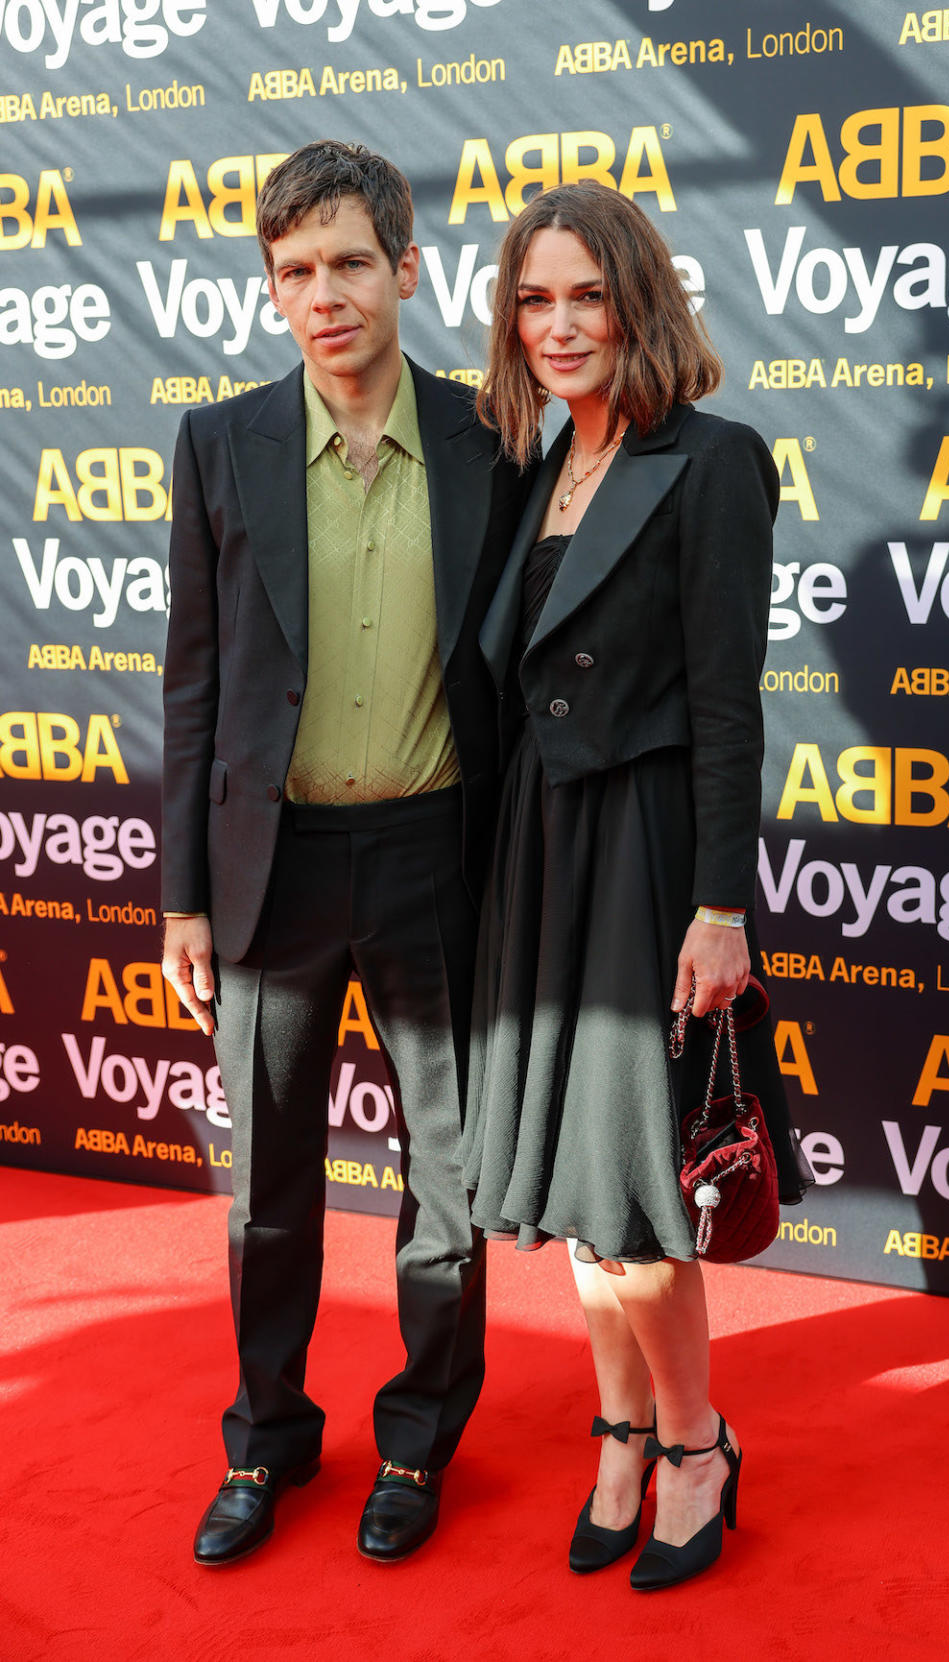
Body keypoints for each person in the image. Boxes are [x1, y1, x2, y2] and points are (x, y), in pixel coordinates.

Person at [160, 140, 530, 1568]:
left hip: (439, 853)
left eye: (349, 264)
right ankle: (264, 1443)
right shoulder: (221, 442)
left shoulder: (490, 439)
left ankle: (420, 1444)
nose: (323, 294)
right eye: (295, 270)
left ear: (406, 272)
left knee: (446, 1179)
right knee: (269, 1191)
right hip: (275, 864)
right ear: (273, 288)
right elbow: (191, 683)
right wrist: (182, 892)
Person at [461, 181, 810, 1591]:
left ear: (638, 303)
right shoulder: (536, 466)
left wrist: (720, 905)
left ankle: (693, 1441)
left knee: (638, 1194)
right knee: (572, 1188)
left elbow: (731, 703)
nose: (558, 325)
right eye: (534, 299)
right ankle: (618, 1423)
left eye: (586, 296)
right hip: (537, 858)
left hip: (649, 856)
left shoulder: (713, 461)